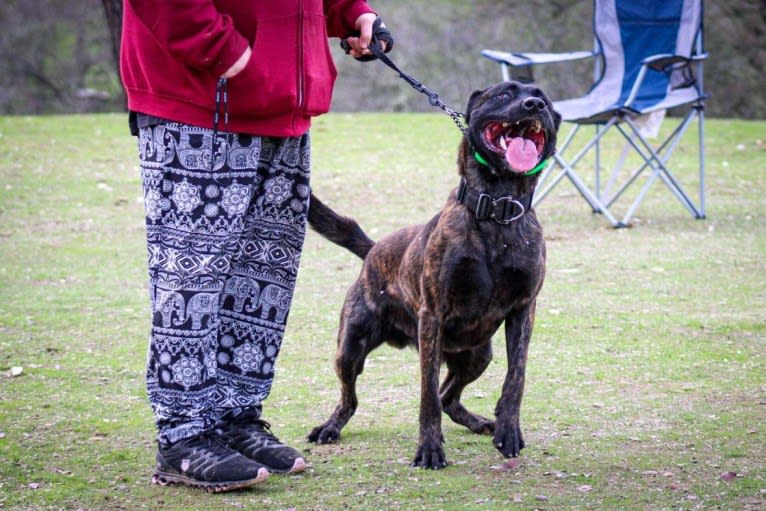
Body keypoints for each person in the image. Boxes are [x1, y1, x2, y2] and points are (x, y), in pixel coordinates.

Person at [120, 0, 392, 492]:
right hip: (200, 99)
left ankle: (234, 416)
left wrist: (352, 14)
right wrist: (226, 51)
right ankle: (184, 435)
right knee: (192, 275)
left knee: (260, 279)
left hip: (281, 103)